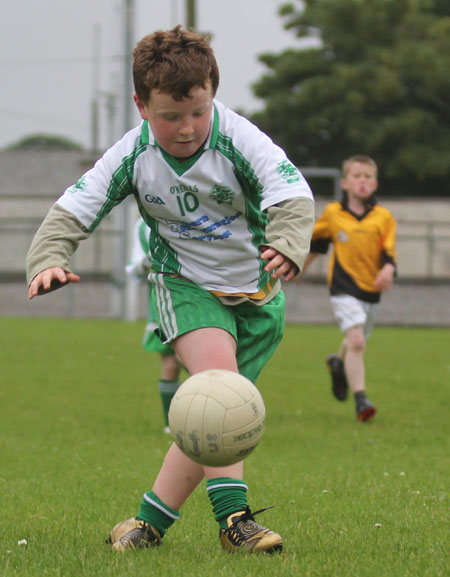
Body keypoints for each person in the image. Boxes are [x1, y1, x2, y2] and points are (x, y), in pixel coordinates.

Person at [26, 26, 315, 553]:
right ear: (140, 105)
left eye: (197, 112)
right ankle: (236, 523)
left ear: (213, 95)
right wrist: (48, 259)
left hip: (258, 298)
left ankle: (145, 526)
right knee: (219, 391)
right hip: (184, 286)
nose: (186, 128)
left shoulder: (238, 138)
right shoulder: (132, 155)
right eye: (169, 116)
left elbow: (289, 191)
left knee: (211, 420)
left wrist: (289, 242)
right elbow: (74, 208)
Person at [299, 155, 396, 422]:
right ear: (345, 182)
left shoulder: (384, 218)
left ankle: (338, 364)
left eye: (367, 177)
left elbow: (389, 253)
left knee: (355, 342)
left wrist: (388, 270)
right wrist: (299, 268)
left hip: (371, 292)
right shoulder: (333, 213)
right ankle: (362, 401)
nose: (362, 181)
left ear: (375, 184)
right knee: (357, 341)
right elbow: (317, 245)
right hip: (342, 288)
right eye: (356, 176)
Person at [126, 217, 182, 434]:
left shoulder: (186, 212)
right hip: (161, 303)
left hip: (198, 297)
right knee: (170, 360)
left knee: (192, 359)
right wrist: (148, 262)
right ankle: (172, 423)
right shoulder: (142, 225)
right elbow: (134, 267)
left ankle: (213, 411)